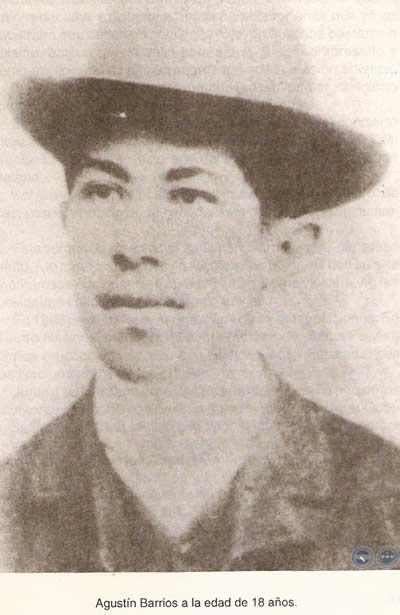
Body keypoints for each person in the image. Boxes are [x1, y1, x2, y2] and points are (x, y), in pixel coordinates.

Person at [1, 0, 399, 572]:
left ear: (284, 247)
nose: (133, 245)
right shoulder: (11, 508)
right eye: (104, 190)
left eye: (189, 196)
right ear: (66, 220)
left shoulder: (383, 507)